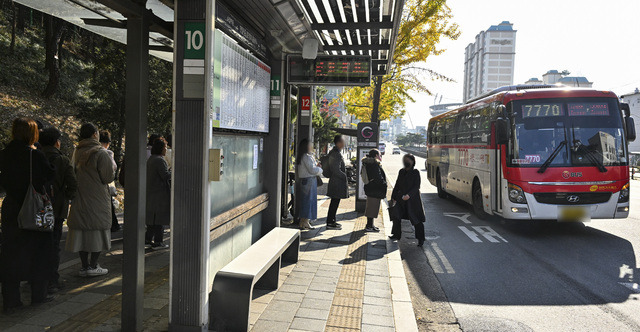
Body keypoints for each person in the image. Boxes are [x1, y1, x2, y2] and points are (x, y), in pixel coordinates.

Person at [0, 118, 56, 312]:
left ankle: (11, 299)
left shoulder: (4, 154)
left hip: (11, 207)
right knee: (39, 250)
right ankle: (38, 295)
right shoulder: (35, 156)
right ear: (33, 134)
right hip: (34, 207)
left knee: (11, 253)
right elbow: (50, 175)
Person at [66, 123, 115, 277]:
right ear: (95, 134)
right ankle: (93, 265)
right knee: (97, 231)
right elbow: (108, 177)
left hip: (80, 196)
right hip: (97, 198)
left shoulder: (76, 151)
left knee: (81, 231)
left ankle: (84, 266)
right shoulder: (101, 153)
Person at [39, 127, 78, 293]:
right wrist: (66, 196)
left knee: (38, 243)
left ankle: (36, 278)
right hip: (56, 207)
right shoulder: (61, 160)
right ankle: (52, 280)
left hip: (36, 207)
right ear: (57, 142)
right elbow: (73, 182)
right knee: (53, 244)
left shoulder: (35, 156)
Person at [390, 154, 426, 246]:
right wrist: (393, 197)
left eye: (407, 160)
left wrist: (409, 195)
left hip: (412, 200)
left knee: (416, 220)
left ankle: (420, 239)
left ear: (412, 161)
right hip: (401, 199)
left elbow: (416, 186)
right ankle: (396, 234)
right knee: (396, 216)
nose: (405, 162)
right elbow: (397, 185)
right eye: (404, 160)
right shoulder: (401, 171)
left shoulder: (415, 172)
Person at [146, 138, 171, 249]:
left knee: (152, 220)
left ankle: (147, 239)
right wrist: (172, 171)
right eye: (165, 147)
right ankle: (158, 242)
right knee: (159, 219)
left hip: (152, 192)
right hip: (160, 193)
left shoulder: (151, 159)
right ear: (161, 148)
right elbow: (165, 176)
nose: (166, 149)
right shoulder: (160, 161)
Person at [296, 139, 323, 230]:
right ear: (306, 146)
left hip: (306, 181)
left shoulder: (304, 156)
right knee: (308, 202)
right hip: (309, 181)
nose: (312, 146)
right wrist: (320, 170)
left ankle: (304, 222)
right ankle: (304, 222)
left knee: (306, 202)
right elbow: (312, 170)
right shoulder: (306, 157)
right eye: (310, 145)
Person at [99, 130, 121, 232]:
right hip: (106, 183)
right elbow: (114, 167)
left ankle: (114, 224)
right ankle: (113, 225)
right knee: (109, 205)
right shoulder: (107, 153)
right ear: (107, 143)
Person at [361, 149, 387, 232]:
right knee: (372, 208)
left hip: (371, 187)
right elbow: (377, 177)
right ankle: (369, 226)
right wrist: (383, 184)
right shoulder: (373, 164)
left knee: (372, 207)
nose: (380, 156)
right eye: (379, 155)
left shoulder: (369, 163)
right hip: (375, 188)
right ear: (376, 155)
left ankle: (371, 225)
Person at [326, 135, 348, 229]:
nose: (344, 143)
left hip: (336, 181)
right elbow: (335, 169)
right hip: (336, 182)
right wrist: (344, 176)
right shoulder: (335, 153)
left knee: (335, 202)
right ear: (338, 143)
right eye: (343, 141)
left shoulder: (335, 152)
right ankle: (330, 222)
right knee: (334, 202)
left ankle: (332, 220)